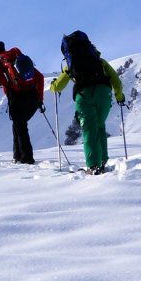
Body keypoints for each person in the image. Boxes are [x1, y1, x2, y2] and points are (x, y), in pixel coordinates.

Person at [49, 30, 125, 175]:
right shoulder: (99, 61)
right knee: (100, 126)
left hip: (84, 96)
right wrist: (119, 96)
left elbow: (58, 86)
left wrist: (53, 86)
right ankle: (102, 161)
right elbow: (115, 79)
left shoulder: (70, 64)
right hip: (103, 94)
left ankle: (94, 166)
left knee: (90, 130)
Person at [0, 41, 44, 164]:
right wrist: (39, 99)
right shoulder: (18, 58)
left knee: (20, 127)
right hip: (32, 96)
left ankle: (27, 159)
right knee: (18, 125)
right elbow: (40, 77)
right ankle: (17, 156)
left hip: (17, 99)